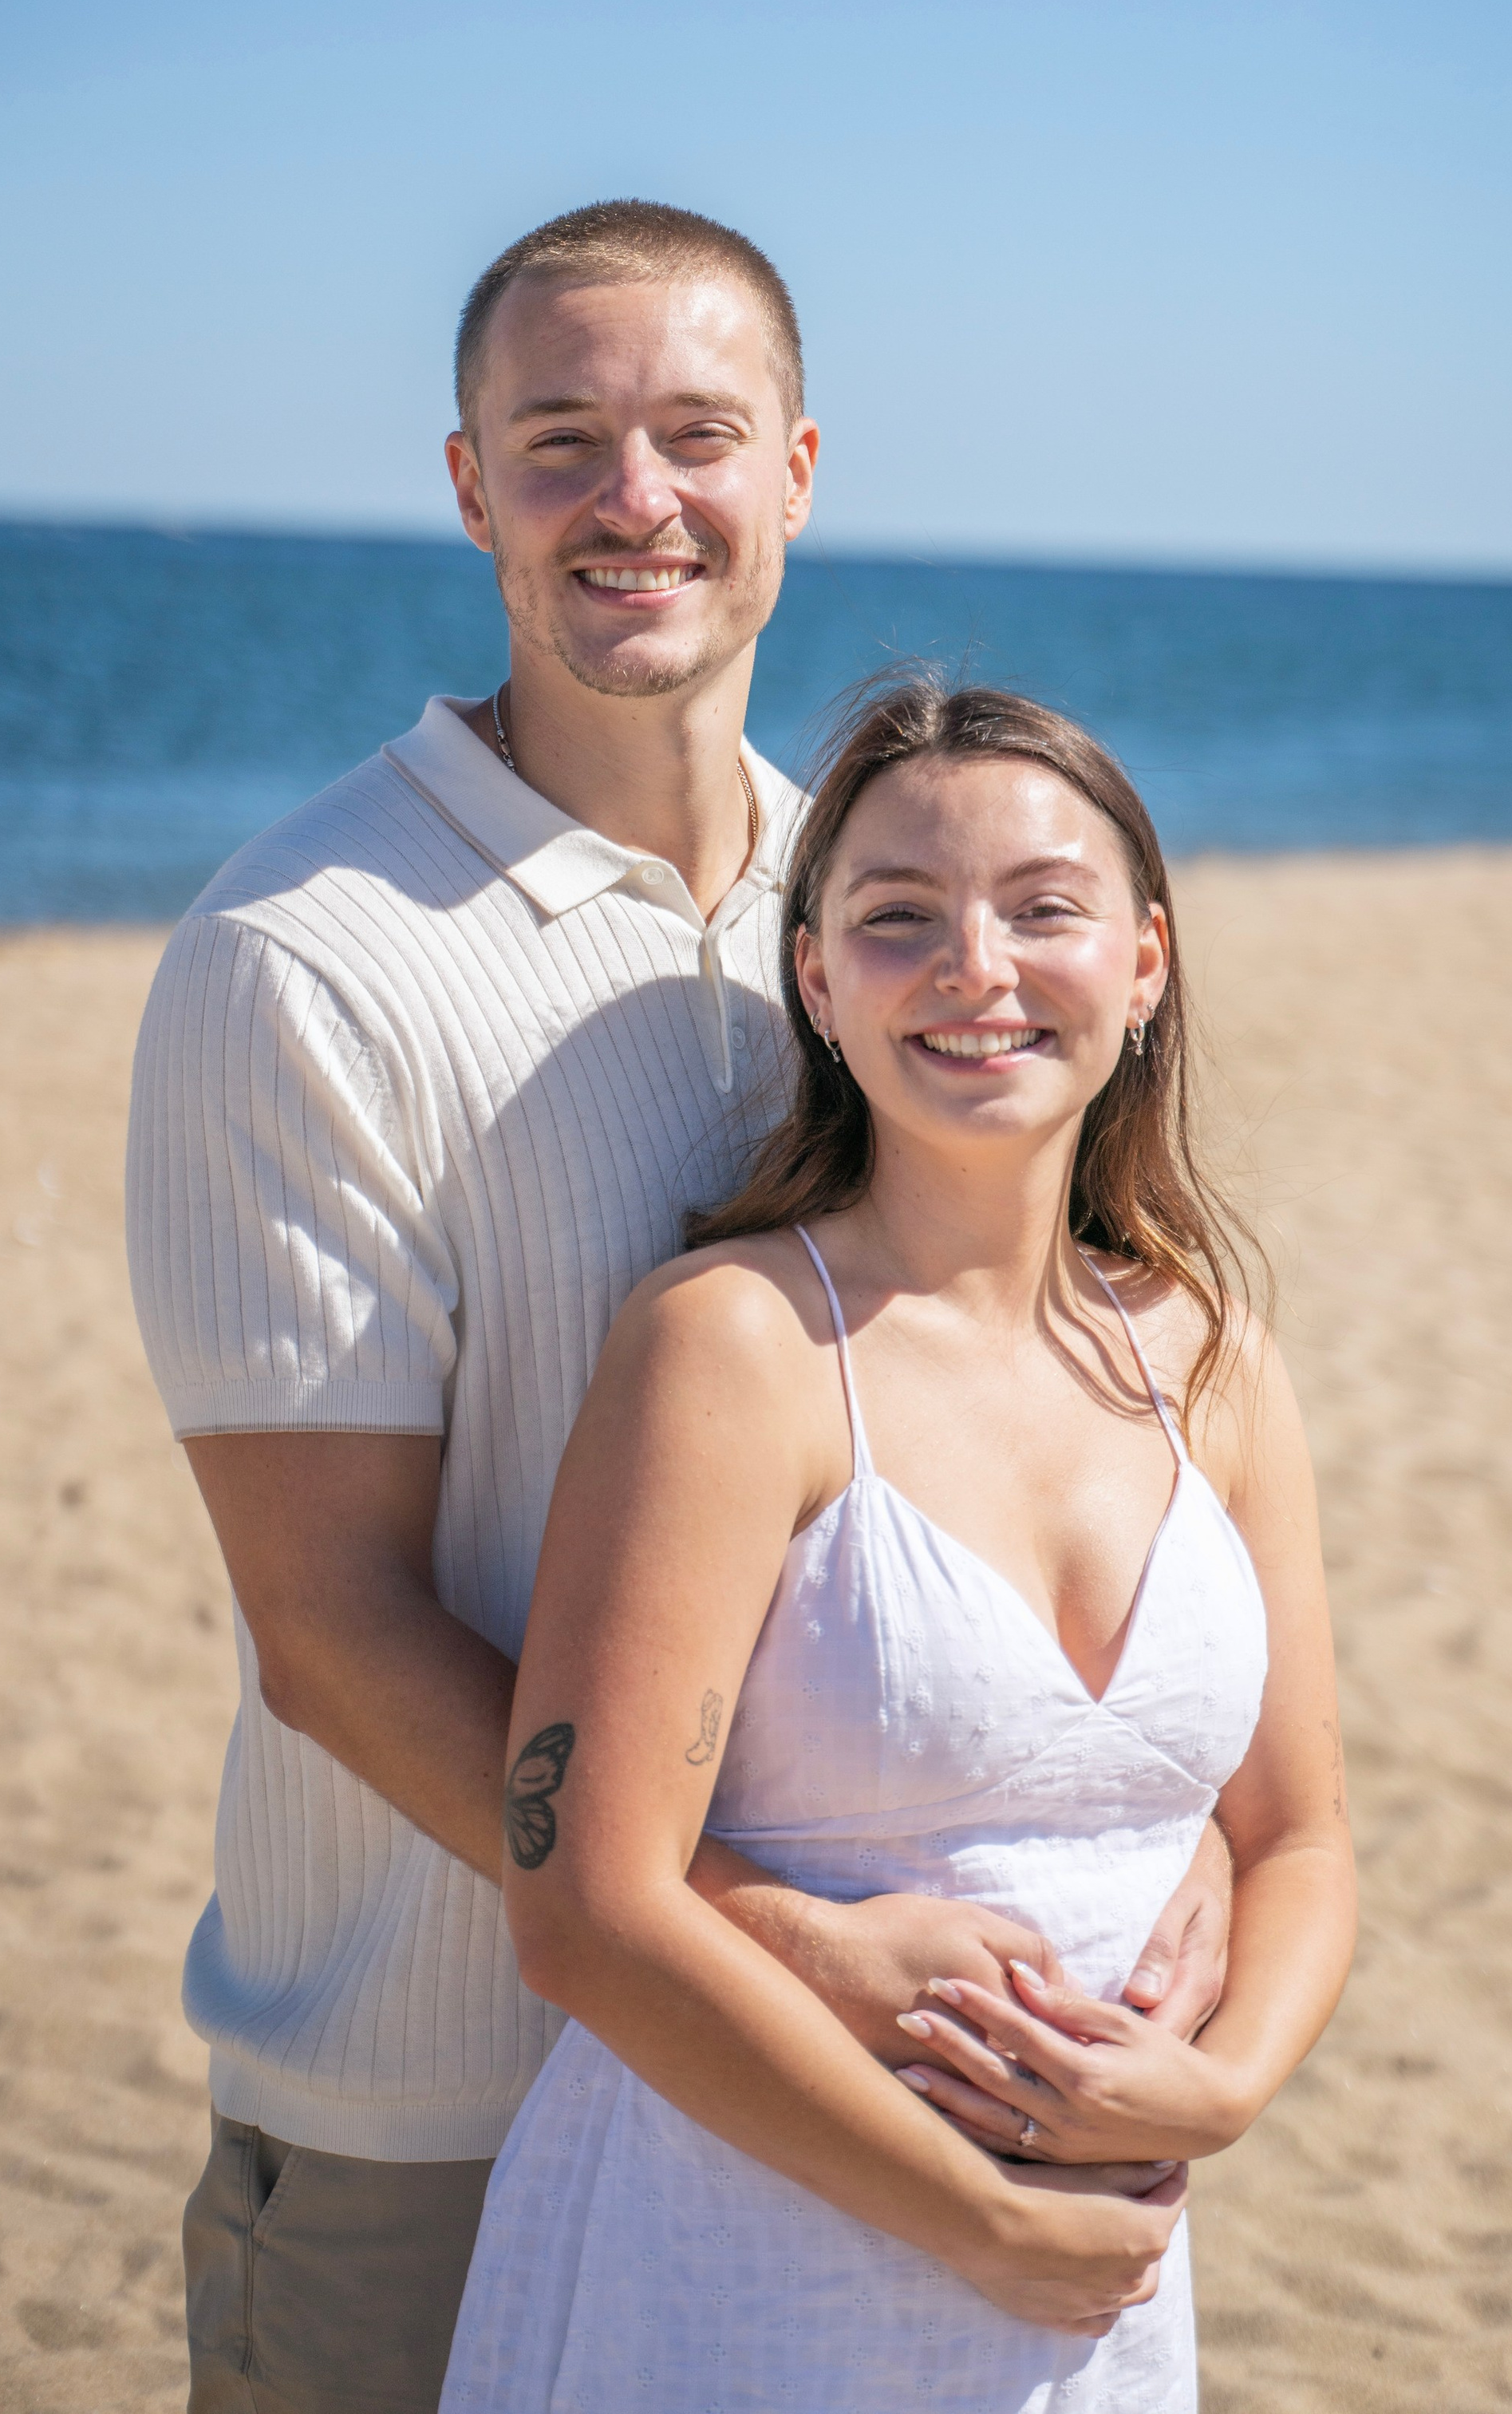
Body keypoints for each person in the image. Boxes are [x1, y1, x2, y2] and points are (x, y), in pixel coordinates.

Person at [125, 202, 1233, 2414]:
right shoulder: (310, 959)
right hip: (433, 2101)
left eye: (696, 433)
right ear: (470, 487)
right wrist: (776, 1934)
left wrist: (1163, 1805)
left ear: (798, 473)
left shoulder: (889, 908)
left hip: (838, 2129)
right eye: (562, 439)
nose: (636, 498)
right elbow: (331, 1624)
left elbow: (1035, 1411)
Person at [441, 679, 1357, 2412]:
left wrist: (1220, 2087)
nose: (974, 966)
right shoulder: (731, 1344)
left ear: (1143, 962)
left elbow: (1297, 1832)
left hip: (1088, 2307)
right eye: (895, 918)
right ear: (816, 981)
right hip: (740, 2281)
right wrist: (973, 2220)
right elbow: (584, 1910)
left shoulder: (1211, 1357)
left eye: (1041, 907)